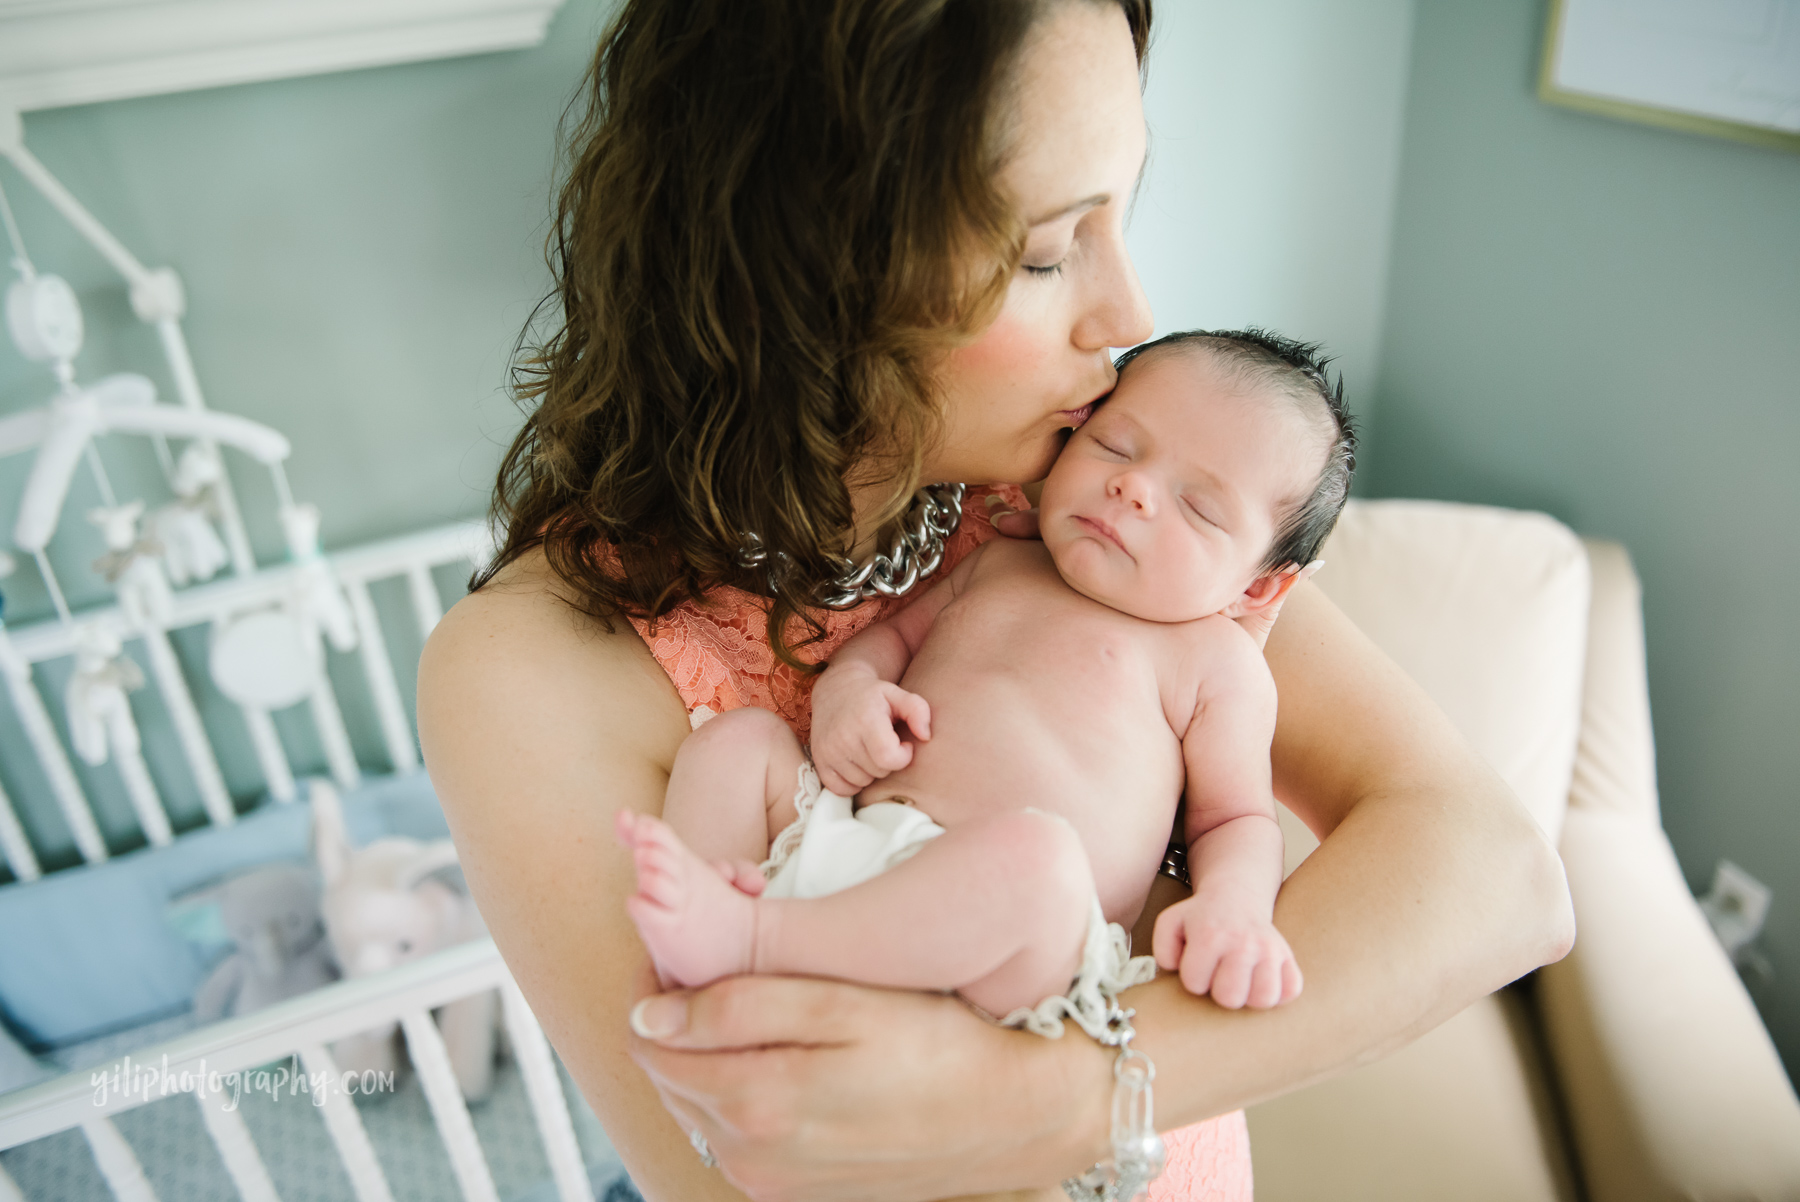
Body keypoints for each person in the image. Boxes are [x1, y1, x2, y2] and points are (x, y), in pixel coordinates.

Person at [417, 1, 1576, 1199]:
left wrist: (1071, 1083)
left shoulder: (1090, 505)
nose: (1131, 320)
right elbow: (738, 1150)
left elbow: (1497, 873)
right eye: (1045, 252)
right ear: (807, 267)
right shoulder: (530, 670)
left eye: (1125, 214)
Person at [616, 329, 1356, 1032]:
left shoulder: (1217, 663)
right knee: (739, 744)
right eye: (1114, 446)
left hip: (1010, 945)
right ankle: (705, 959)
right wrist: (851, 694)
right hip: (851, 848)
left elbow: (1236, 820)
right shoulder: (1003, 563)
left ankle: (755, 943)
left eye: (1197, 506)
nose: (1132, 488)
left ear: (1258, 590)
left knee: (1040, 859)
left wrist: (1234, 907)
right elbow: (888, 642)